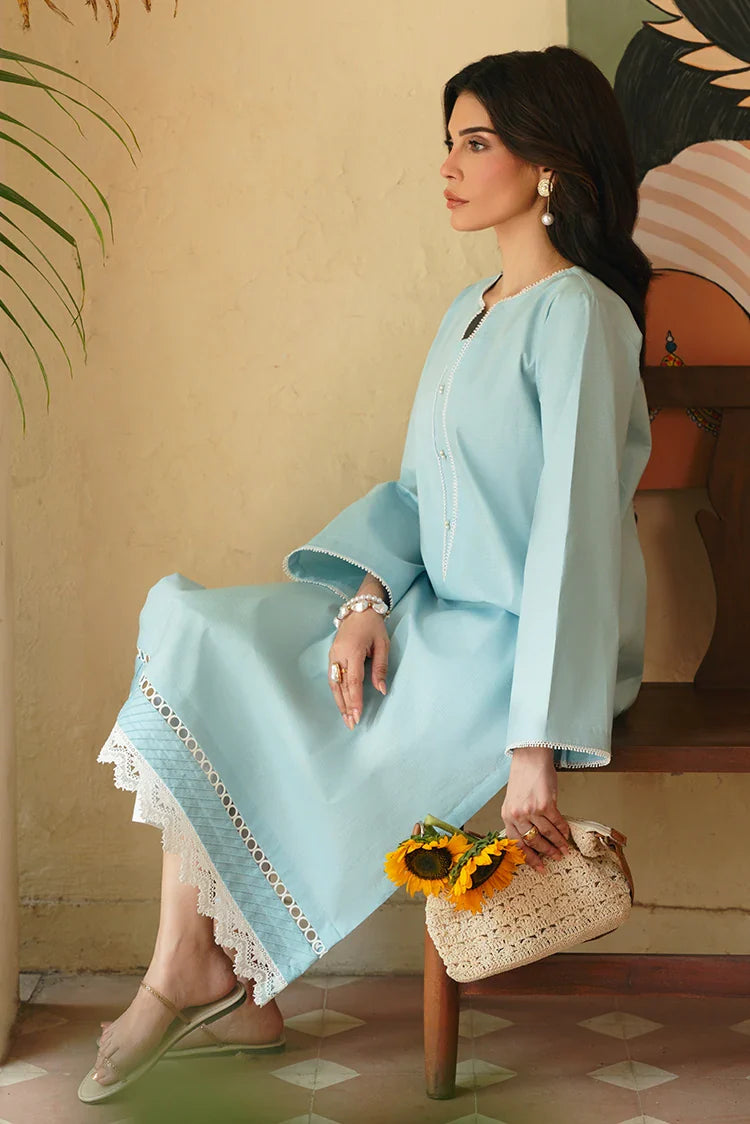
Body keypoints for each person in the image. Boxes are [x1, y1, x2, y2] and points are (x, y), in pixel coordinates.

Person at [81, 44, 653, 1101]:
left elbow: (574, 536)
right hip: (433, 611)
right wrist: (365, 598)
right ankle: (209, 975)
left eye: (475, 143)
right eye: (448, 142)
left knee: (290, 694)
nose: (448, 164)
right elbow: (414, 495)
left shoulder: (579, 314)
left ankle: (189, 978)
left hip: (523, 647)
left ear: (547, 164)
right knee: (204, 638)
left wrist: (534, 744)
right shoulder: (469, 309)